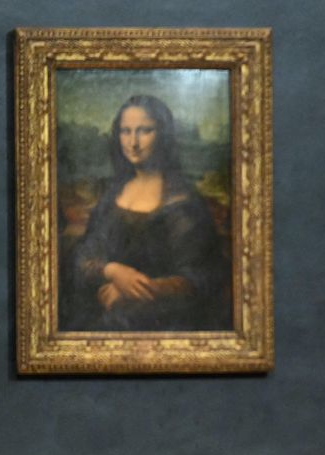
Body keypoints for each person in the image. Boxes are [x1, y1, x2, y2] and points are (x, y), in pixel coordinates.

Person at [69, 94, 230, 331]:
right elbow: (83, 256)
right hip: (102, 308)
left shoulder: (182, 202)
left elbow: (200, 278)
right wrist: (113, 271)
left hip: (163, 319)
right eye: (125, 131)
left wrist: (136, 291)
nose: (132, 142)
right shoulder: (113, 194)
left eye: (144, 130)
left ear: (163, 135)